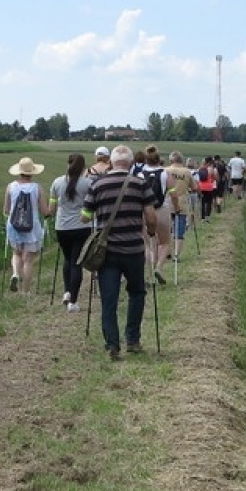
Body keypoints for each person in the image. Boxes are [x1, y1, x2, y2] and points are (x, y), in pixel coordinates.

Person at [81, 144, 157, 360]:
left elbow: (85, 216)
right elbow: (151, 216)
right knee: (137, 293)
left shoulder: (98, 185)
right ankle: (132, 340)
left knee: (109, 298)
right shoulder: (140, 184)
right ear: (131, 163)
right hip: (133, 249)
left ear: (111, 162)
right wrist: (150, 232)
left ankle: (112, 344)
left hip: (108, 252)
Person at [49, 152, 92, 311]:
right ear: (83, 167)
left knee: (67, 259)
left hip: (62, 227)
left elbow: (52, 208)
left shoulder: (57, 182)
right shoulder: (88, 183)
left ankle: (67, 291)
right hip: (81, 227)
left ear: (68, 164)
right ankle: (73, 301)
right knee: (76, 262)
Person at [3, 156, 51, 294]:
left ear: (19, 171)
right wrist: (49, 212)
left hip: (14, 226)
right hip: (32, 227)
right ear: (32, 172)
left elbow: (6, 210)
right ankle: (26, 292)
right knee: (28, 260)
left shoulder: (10, 187)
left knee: (17, 253)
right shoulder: (37, 188)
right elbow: (44, 210)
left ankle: (15, 274)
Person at [140, 144, 172, 283]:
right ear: (159, 160)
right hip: (162, 209)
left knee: (148, 245)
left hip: (146, 210)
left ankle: (149, 275)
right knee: (164, 243)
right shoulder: (165, 173)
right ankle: (159, 267)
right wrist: (176, 208)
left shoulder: (140, 174)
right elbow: (173, 192)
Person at [163, 150, 194, 263]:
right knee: (179, 231)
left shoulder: (165, 170)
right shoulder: (187, 172)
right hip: (182, 203)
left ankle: (167, 252)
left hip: (167, 203)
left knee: (167, 230)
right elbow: (194, 187)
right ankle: (176, 255)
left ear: (171, 160)